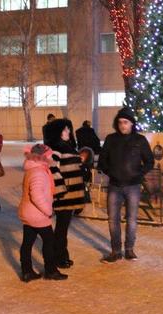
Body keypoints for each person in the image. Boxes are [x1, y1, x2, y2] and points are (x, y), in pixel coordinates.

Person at [97, 107, 154, 263]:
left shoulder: (140, 140)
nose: (123, 125)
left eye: (126, 122)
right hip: (115, 186)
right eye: (120, 122)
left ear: (132, 124)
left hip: (133, 186)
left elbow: (149, 161)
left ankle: (129, 249)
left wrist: (139, 174)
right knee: (112, 219)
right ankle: (116, 251)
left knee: (131, 219)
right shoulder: (110, 139)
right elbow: (102, 160)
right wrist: (110, 172)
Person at [18, 144, 67, 282]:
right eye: (49, 155)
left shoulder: (34, 168)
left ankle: (27, 271)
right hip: (38, 215)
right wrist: (48, 210)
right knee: (49, 242)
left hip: (29, 213)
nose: (51, 157)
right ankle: (51, 270)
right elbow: (36, 195)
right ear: (42, 157)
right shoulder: (38, 172)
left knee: (27, 243)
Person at [44, 119, 88, 269]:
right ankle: (59, 257)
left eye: (68, 129)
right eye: (65, 130)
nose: (68, 132)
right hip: (65, 196)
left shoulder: (67, 146)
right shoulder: (56, 148)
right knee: (61, 229)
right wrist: (60, 191)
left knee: (63, 228)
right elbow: (52, 169)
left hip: (71, 194)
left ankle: (62, 255)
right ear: (58, 133)